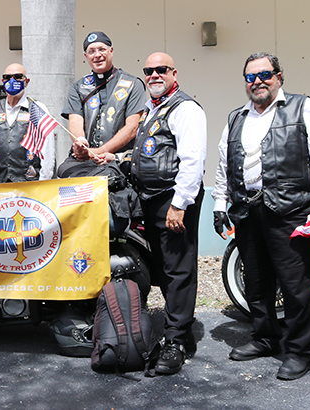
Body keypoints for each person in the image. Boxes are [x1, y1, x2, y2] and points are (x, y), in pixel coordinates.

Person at [211, 52, 310, 380]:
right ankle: (265, 338)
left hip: (290, 209)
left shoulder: (302, 108)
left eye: (264, 74)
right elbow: (224, 164)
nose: (257, 81)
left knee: (296, 285)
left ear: (279, 76)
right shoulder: (236, 118)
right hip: (246, 210)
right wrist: (218, 204)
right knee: (256, 282)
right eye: (250, 77)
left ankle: (300, 351)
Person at [128, 52, 206, 375]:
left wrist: (179, 204)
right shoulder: (153, 109)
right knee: (164, 269)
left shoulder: (185, 108)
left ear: (174, 73)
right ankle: (181, 332)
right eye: (149, 70)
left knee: (179, 270)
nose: (154, 75)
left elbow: (192, 160)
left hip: (173, 201)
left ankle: (175, 343)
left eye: (161, 69)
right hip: (152, 200)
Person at [59, 31, 147, 171]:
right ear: (86, 56)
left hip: (119, 158)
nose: (97, 55)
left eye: (102, 49)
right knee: (64, 171)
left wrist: (99, 151)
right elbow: (75, 120)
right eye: (91, 51)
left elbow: (132, 128)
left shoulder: (133, 84)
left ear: (111, 51)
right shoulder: (78, 87)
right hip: (85, 159)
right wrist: (81, 143)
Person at [0, 63, 55, 184]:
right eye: (8, 77)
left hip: (29, 182)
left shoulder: (37, 108)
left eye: (18, 76)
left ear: (26, 81)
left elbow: (47, 149)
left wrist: (44, 181)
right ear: (3, 81)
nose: (12, 80)